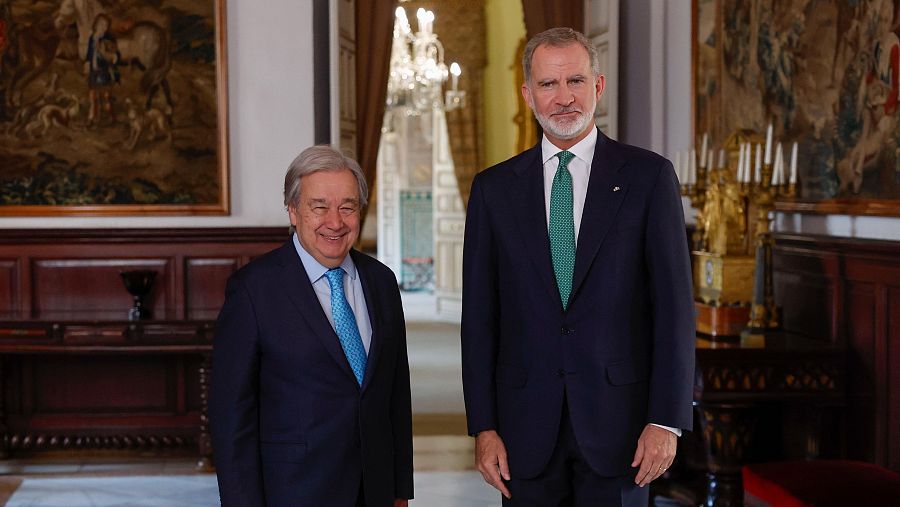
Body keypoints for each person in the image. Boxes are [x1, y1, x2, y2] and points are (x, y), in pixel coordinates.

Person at [461, 27, 695, 506]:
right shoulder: (493, 190)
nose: (563, 97)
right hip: (524, 431)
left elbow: (674, 309)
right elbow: (480, 319)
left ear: (598, 86)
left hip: (624, 431)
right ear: (528, 94)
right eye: (548, 84)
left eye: (576, 81)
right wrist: (483, 426)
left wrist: (666, 420)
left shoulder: (649, 177)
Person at [210, 145, 413, 507]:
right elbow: (231, 416)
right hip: (294, 491)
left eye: (347, 207)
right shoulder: (253, 290)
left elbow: (396, 394)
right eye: (319, 207)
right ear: (293, 210)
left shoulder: (382, 282)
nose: (335, 222)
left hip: (375, 490)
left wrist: (399, 490)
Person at [84, 13, 120, 126]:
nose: (104, 27)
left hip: (103, 70)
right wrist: (87, 63)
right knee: (93, 96)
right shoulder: (92, 38)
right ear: (96, 25)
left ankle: (111, 117)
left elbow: (114, 56)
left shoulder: (108, 39)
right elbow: (89, 53)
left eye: (106, 25)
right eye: (102, 25)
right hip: (93, 71)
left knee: (106, 96)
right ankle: (92, 118)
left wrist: (103, 52)